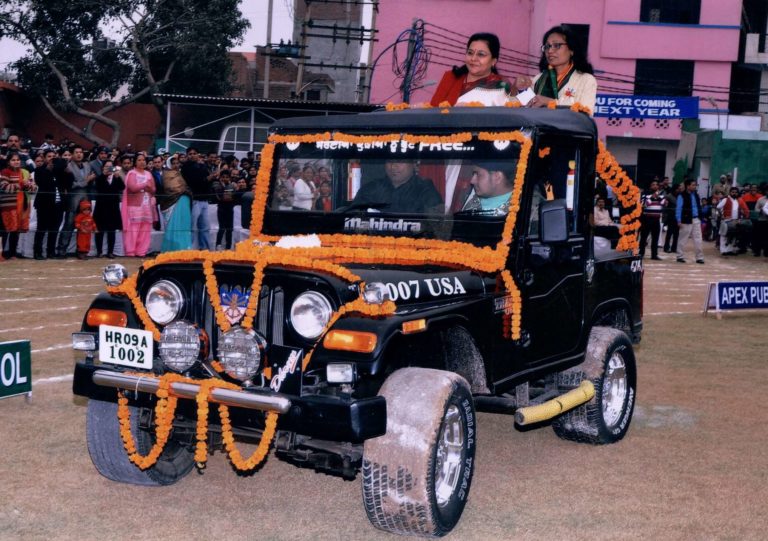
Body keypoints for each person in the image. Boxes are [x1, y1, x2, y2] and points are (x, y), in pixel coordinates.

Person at [430, 33, 521, 107]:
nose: (473, 58)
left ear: (493, 61)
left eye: (481, 54)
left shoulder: (501, 85)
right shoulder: (451, 78)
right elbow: (433, 110)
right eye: (470, 53)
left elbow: (511, 114)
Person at [529, 25, 597, 112]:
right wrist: (515, 89)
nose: (550, 51)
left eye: (556, 45)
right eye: (547, 46)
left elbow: (585, 113)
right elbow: (520, 106)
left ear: (571, 50)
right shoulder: (539, 79)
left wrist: (550, 102)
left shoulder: (586, 80)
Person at [352, 160, 443, 214]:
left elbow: (435, 227)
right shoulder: (370, 189)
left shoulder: (426, 190)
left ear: (415, 164)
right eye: (390, 161)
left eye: (400, 161)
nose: (393, 166)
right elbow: (353, 218)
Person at [56, 145, 95, 257]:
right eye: (76, 152)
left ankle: (82, 250)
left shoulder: (87, 165)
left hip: (85, 197)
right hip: (72, 197)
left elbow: (92, 180)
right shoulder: (67, 166)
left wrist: (88, 181)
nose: (79, 154)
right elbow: (70, 184)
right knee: (69, 223)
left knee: (85, 224)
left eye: (81, 152)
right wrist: (86, 181)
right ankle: (62, 249)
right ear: (72, 155)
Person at [0, 151, 38, 259]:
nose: (16, 162)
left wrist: (28, 186)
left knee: (16, 231)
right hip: (9, 205)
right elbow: (5, 187)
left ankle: (12, 253)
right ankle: (2, 253)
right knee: (6, 230)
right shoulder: (5, 172)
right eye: (13, 160)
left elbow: (34, 188)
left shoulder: (25, 172)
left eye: (18, 160)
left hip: (22, 205)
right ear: (8, 162)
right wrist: (20, 184)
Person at [32, 150, 67, 259]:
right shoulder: (39, 170)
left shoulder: (59, 171)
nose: (52, 158)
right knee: (41, 229)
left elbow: (67, 183)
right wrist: (48, 170)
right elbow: (42, 183)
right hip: (44, 205)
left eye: (53, 156)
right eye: (49, 156)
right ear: (44, 158)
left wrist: (65, 169)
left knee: (54, 229)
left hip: (58, 205)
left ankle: (51, 252)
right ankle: (37, 252)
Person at [121, 154, 157, 257]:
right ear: (135, 162)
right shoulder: (132, 173)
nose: (142, 162)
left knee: (145, 229)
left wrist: (145, 187)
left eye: (143, 160)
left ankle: (141, 251)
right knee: (133, 229)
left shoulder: (148, 174)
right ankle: (130, 251)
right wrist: (145, 185)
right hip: (135, 206)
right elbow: (132, 188)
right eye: (139, 160)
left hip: (147, 206)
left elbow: (153, 189)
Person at [180, 147, 213, 250]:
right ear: (187, 155)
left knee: (205, 227)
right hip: (193, 200)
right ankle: (189, 248)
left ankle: (205, 249)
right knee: (192, 227)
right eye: (190, 154)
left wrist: (211, 178)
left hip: (204, 199)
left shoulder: (203, 166)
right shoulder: (186, 167)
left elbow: (208, 182)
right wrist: (207, 179)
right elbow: (192, 182)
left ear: (198, 154)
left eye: (194, 153)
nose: (192, 155)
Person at [160, 155, 193, 252]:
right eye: (173, 163)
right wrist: (183, 191)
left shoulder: (180, 174)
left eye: (177, 163)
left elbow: (184, 187)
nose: (175, 165)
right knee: (174, 224)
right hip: (173, 202)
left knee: (184, 224)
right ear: (169, 164)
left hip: (184, 201)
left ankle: (184, 247)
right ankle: (173, 248)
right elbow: (170, 187)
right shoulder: (166, 174)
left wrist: (185, 191)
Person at [93, 160, 125, 258]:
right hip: (101, 207)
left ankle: (110, 252)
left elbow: (122, 187)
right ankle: (99, 251)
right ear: (103, 168)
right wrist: (103, 175)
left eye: (111, 166)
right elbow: (97, 186)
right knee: (100, 230)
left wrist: (118, 177)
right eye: (107, 166)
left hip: (113, 207)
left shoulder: (116, 177)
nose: (109, 169)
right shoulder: (100, 178)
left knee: (112, 231)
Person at [675, 178, 705, 264]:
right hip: (686, 219)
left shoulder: (696, 195)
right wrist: (678, 220)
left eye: (695, 185)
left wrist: (700, 217)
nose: (695, 187)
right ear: (688, 186)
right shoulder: (681, 195)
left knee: (698, 239)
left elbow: (699, 207)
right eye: (693, 185)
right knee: (683, 239)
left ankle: (699, 257)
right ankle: (680, 256)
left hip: (696, 219)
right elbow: (678, 208)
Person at [212, 169, 242, 250]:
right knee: (222, 228)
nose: (225, 178)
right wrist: (223, 187)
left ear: (229, 178)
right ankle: (218, 245)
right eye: (223, 177)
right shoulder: (217, 185)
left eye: (227, 177)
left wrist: (236, 190)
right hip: (221, 209)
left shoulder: (232, 186)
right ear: (220, 177)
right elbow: (220, 197)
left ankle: (228, 247)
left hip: (230, 209)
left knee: (230, 229)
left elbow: (234, 197)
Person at [717, 186, 750, 256]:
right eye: (733, 192)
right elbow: (718, 207)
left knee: (733, 235)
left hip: (735, 221)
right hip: (726, 220)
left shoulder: (738, 200)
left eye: (736, 192)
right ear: (730, 192)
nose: (734, 193)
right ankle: (723, 250)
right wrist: (721, 215)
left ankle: (730, 250)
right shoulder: (725, 199)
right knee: (724, 235)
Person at [639, 179, 666, 260]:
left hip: (656, 219)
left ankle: (654, 255)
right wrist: (652, 197)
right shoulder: (645, 195)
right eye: (653, 185)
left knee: (655, 238)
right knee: (644, 237)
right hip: (647, 219)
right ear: (650, 186)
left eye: (656, 185)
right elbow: (644, 205)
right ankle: (641, 253)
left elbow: (663, 203)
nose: (655, 186)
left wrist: (657, 197)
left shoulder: (661, 196)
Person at [663, 183, 683, 253]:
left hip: (678, 217)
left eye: (680, 189)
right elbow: (665, 207)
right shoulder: (669, 196)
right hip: (671, 217)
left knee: (676, 234)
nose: (679, 190)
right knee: (669, 233)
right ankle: (666, 247)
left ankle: (674, 248)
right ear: (675, 189)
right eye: (678, 189)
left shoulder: (680, 196)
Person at [753, 185, 768, 257]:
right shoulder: (761, 199)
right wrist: (761, 211)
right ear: (765, 191)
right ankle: (757, 251)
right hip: (762, 220)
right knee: (759, 237)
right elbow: (756, 209)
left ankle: (766, 252)